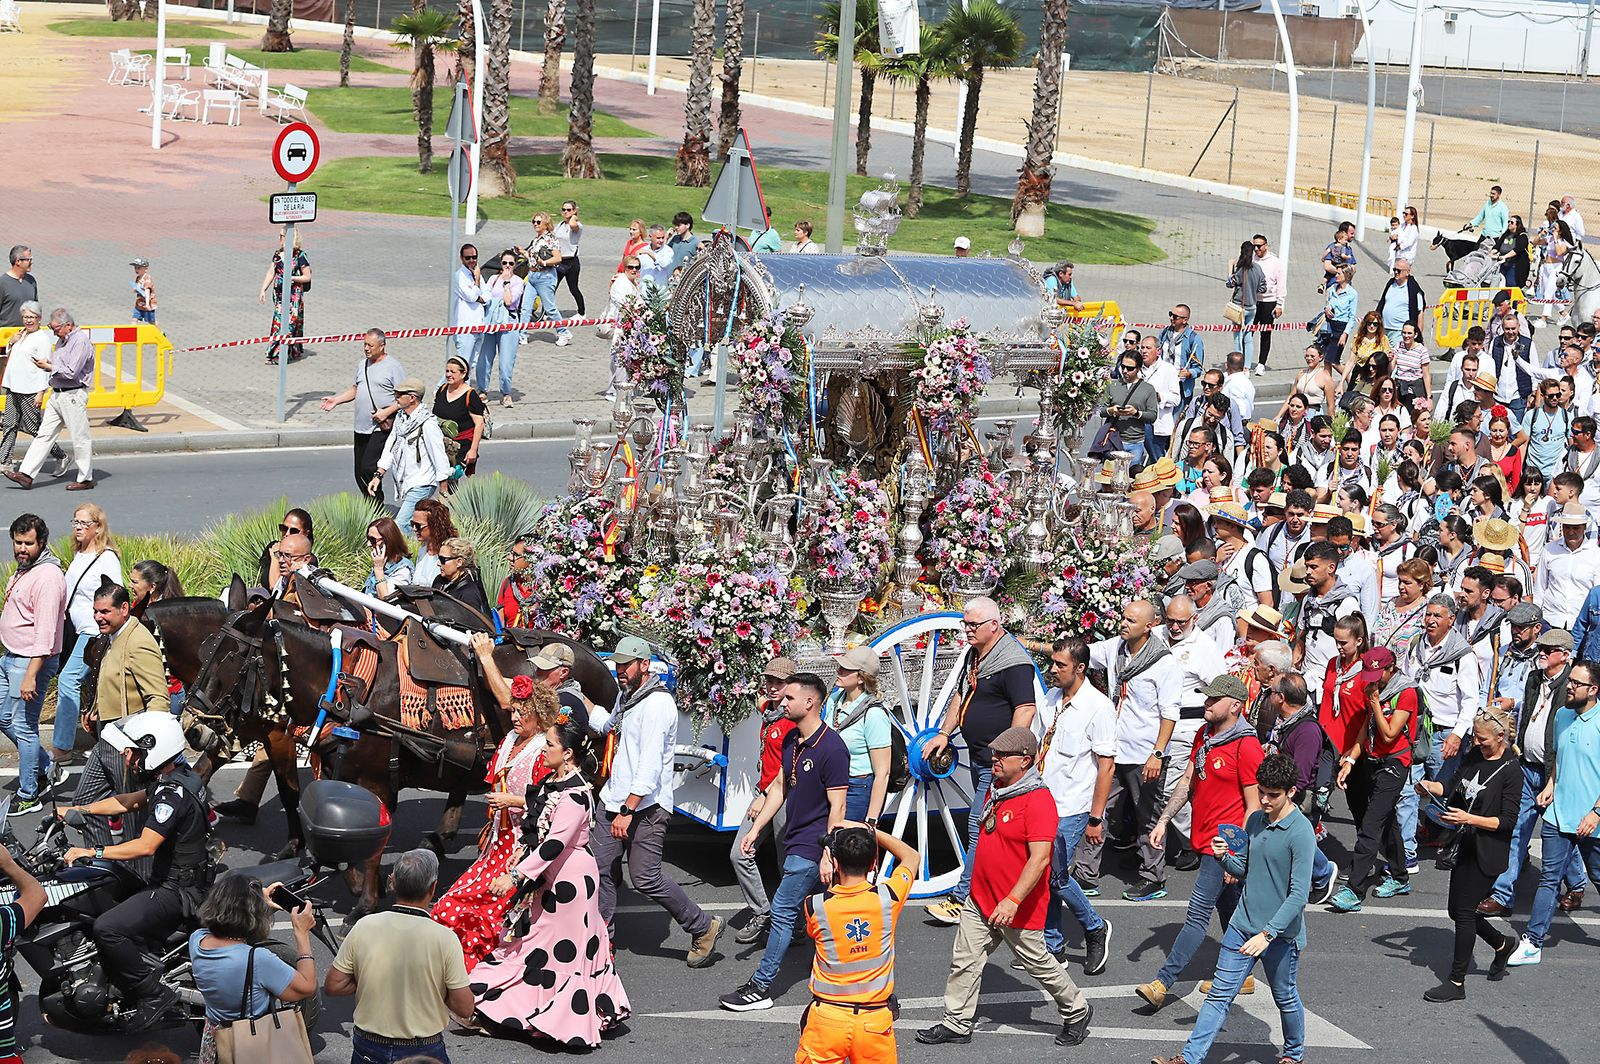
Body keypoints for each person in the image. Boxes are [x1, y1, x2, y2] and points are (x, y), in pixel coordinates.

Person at [915, 727, 1095, 1049]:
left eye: (1002, 755)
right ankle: (956, 1022)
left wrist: (1012, 899)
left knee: (1036, 961)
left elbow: (1040, 860)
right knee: (965, 959)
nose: (993, 759)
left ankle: (1077, 1009)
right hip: (982, 898)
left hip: (1016, 904)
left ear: (1025, 761)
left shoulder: (1038, 801)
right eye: (994, 753)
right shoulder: (996, 789)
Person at [470, 715, 630, 1045]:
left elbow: (555, 844)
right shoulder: (553, 784)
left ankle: (559, 1021)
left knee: (556, 950)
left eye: (551, 745)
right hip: (552, 877)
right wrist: (519, 853)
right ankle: (528, 1013)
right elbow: (538, 825)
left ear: (568, 753)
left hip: (569, 884)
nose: (544, 749)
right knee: (536, 944)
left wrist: (514, 876)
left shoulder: (576, 795)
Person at [1151, 753, 1314, 1064]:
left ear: (1291, 792)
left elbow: (1298, 895)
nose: (1264, 800)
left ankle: (1293, 1055)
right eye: (1262, 792)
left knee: (1285, 997)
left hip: (1279, 936)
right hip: (1242, 926)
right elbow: (1246, 868)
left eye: (1273, 795)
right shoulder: (1254, 821)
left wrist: (1267, 934)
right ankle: (1189, 1058)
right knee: (1218, 996)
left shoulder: (1301, 833)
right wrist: (1225, 857)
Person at [61, 712, 213, 1030]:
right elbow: (129, 801)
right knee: (110, 886)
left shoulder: (172, 794)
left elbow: (145, 846)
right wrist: (80, 810)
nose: (126, 756)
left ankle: (152, 994)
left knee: (107, 928)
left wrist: (93, 851)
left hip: (177, 890)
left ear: (152, 749)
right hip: (179, 879)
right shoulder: (178, 776)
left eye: (131, 750)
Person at [591, 636, 723, 966]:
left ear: (644, 665)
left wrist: (627, 810)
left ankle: (703, 926)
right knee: (599, 869)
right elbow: (610, 727)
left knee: (645, 877)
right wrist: (579, 702)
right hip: (614, 799)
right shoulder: (628, 695)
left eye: (626, 665)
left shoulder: (657, 704)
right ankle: (602, 937)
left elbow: (649, 765)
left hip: (644, 807)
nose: (620, 670)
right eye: (618, 665)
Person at [719, 672, 847, 1012]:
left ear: (810, 702)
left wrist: (827, 853)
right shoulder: (793, 742)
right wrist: (754, 829)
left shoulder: (832, 748)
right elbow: (779, 788)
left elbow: (839, 806)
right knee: (825, 915)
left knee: (783, 912)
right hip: (795, 840)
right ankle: (854, 977)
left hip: (811, 846)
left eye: (789, 698)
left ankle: (761, 987)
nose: (782, 702)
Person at [1136, 675, 1264, 1011]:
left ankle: (1163, 983)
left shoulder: (1246, 746)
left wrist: (1238, 855)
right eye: (1206, 698)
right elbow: (1188, 780)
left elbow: (1254, 806)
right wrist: (1164, 819)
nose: (1206, 703)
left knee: (1197, 915)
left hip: (1222, 848)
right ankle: (1244, 973)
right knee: (1231, 910)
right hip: (1203, 837)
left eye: (1213, 700)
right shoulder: (1204, 735)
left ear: (1235, 706)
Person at [921, 597, 1038, 925]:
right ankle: (998, 888)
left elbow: (1025, 708)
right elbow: (962, 693)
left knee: (977, 823)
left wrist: (1011, 754)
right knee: (992, 829)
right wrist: (945, 732)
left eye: (973, 625)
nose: (967, 630)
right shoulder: (974, 655)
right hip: (979, 756)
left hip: (997, 762)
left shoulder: (1013, 662)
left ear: (994, 626)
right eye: (966, 624)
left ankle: (961, 898)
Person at [431, 680, 558, 969]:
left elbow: (550, 804)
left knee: (489, 908)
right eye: (513, 711)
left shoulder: (542, 751)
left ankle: (486, 966)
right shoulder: (509, 742)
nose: (514, 718)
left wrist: (512, 801)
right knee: (453, 899)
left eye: (522, 712)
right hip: (497, 842)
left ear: (539, 715)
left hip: (522, 846)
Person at [326, 848, 474, 1064]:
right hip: (423, 1049)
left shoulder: (364, 926)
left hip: (368, 1045)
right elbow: (464, 1008)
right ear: (433, 888)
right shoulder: (445, 938)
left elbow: (334, 985)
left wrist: (372, 979)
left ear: (392, 882)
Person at [1414, 705, 1522, 1000]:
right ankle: (1501, 944)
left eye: (1483, 739)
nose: (1477, 743)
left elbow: (1507, 821)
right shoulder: (1475, 755)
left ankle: (1457, 982)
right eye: (1475, 737)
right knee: (1455, 910)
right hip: (1463, 844)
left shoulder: (1512, 771)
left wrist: (1468, 819)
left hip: (1488, 851)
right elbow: (1451, 786)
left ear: (1500, 737)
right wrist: (1429, 787)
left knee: (1463, 912)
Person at [795, 822, 918, 1064]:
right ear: (873, 863)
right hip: (874, 1022)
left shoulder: (815, 906)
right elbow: (911, 856)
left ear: (836, 864)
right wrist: (870, 830)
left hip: (828, 1020)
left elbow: (821, 924)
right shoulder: (888, 898)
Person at [1081, 599, 1179, 900]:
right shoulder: (1115, 649)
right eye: (1122, 618)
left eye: (1131, 621)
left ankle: (1153, 876)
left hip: (1144, 752)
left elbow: (1169, 713)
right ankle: (1085, 874)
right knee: (1098, 809)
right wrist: (1033, 643)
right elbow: (1081, 654)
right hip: (1113, 748)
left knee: (1147, 815)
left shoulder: (1165, 662)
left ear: (1149, 626)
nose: (1123, 624)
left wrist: (1158, 753)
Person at [1037, 636, 1114, 974]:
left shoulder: (1098, 707)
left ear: (1080, 669)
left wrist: (1095, 817)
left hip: (1072, 805)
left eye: (1061, 666)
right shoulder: (1052, 698)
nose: (1053, 670)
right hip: (1043, 800)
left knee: (1054, 874)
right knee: (1044, 874)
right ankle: (1054, 946)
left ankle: (1094, 927)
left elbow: (1106, 765)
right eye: (1053, 663)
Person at [188, 874, 318, 1063]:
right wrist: (302, 933)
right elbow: (306, 987)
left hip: (215, 1041)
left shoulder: (197, 939)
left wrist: (260, 902)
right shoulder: (257, 960)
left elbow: (234, 933)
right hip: (250, 1044)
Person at [1329, 647, 1419, 912]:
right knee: (1385, 820)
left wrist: (1377, 703)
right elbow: (1364, 729)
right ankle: (1400, 876)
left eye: (1379, 674)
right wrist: (1351, 760)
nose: (1375, 680)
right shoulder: (1370, 688)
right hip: (1372, 760)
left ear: (1392, 669)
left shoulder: (1407, 693)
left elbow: (1390, 734)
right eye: (1371, 674)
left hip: (1395, 763)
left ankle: (1354, 890)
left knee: (1370, 824)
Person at [49, 503, 122, 775]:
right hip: (75, 631)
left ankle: (62, 748)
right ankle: (104, 741)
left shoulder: (106, 558)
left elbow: (116, 594)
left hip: (94, 633)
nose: (78, 528)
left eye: (83, 523)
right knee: (93, 689)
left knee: (69, 680)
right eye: (75, 522)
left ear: (97, 527)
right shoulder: (79, 553)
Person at [730, 657, 797, 945]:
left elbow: (788, 766)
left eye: (778, 683)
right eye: (768, 681)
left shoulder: (792, 722)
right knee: (739, 853)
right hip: (766, 792)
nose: (771, 687)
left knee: (787, 864)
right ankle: (763, 912)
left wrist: (766, 793)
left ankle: (792, 923)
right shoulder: (769, 711)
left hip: (784, 796)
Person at [0, 513, 63, 814]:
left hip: (30, 662)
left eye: (28, 543)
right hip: (12, 656)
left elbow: (46, 633)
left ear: (42, 543)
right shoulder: (28, 569)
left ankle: (29, 795)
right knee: (3, 718)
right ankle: (46, 765)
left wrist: (30, 676)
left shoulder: (48, 577)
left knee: (24, 727)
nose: (22, 548)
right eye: (18, 542)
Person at [5, 308, 96, 491]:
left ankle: (85, 478)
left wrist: (48, 366)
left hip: (72, 394)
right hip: (57, 393)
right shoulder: (63, 341)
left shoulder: (80, 342)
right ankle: (26, 474)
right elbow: (60, 365)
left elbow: (71, 372)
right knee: (44, 435)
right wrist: (48, 365)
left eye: (55, 328)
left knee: (80, 437)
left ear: (68, 325)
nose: (54, 332)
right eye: (52, 328)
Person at [320, 329, 404, 503]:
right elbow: (355, 389)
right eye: (364, 344)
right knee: (359, 472)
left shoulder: (393, 366)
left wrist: (386, 412)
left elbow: (405, 398)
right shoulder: (362, 365)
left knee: (368, 467)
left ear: (382, 346)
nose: (366, 348)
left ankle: (377, 504)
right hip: (361, 426)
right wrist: (336, 400)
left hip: (380, 426)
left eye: (370, 345)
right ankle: (370, 503)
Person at [371, 378, 450, 532]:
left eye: (400, 395)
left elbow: (439, 455)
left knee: (401, 524)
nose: (396, 398)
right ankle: (420, 550)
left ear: (412, 398)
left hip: (423, 482)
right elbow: (391, 446)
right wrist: (378, 474)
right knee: (415, 525)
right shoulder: (401, 419)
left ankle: (406, 554)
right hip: (408, 482)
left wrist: (443, 487)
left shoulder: (427, 424)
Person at [825, 645, 892, 823]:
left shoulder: (874, 715)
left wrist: (871, 819)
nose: (838, 670)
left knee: (846, 844)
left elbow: (882, 773)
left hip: (858, 788)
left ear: (861, 678)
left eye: (846, 669)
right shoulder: (834, 700)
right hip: (832, 783)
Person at [0, 301, 66, 473]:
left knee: (34, 428)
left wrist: (40, 392)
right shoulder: (21, 335)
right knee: (9, 425)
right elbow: (11, 357)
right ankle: (4, 462)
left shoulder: (42, 339)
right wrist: (11, 342)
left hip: (30, 390)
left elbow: (45, 368)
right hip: (13, 387)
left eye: (32, 317)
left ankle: (62, 456)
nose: (28, 320)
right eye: (26, 317)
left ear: (39, 318)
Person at [1098, 349, 1158, 467]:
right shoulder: (1112, 385)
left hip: (1135, 443)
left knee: (1131, 478)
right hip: (1114, 441)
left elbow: (1153, 416)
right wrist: (1112, 410)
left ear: (1139, 368)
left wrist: (1136, 413)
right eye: (1123, 367)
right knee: (1110, 480)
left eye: (1130, 368)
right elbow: (1100, 410)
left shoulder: (1148, 389)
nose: (1125, 371)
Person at [477, 254, 523, 407]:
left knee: (506, 362)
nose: (507, 266)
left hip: (509, 321)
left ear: (515, 264)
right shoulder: (493, 279)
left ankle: (506, 392)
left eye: (511, 263)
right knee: (484, 358)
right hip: (492, 321)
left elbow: (510, 302)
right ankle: (482, 390)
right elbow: (485, 297)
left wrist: (507, 283)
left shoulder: (517, 282)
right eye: (504, 263)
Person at [258, 228, 310, 364]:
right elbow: (271, 272)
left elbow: (307, 276)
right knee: (278, 323)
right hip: (280, 296)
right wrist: (263, 289)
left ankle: (278, 355)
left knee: (289, 324)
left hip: (294, 298)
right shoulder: (278, 254)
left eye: (281, 236)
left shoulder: (300, 255)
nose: (279, 238)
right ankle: (289, 351)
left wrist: (291, 277)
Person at [431, 356, 487, 477]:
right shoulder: (442, 389)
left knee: (452, 475)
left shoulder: (470, 395)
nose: (449, 375)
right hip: (440, 443)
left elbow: (479, 424)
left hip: (461, 445)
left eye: (453, 372)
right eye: (447, 371)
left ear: (463, 374)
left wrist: (473, 450)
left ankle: (450, 494)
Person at [1224, 240, 1266, 364]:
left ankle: (1238, 366)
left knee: (1238, 338)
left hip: (1239, 308)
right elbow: (1263, 287)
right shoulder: (1258, 268)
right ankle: (1247, 366)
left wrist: (1230, 269)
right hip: (1252, 307)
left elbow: (1230, 283)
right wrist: (1252, 290)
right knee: (1248, 338)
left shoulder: (1241, 269)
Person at [1251, 233, 1286, 373]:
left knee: (1265, 334)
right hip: (1253, 301)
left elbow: (1281, 284)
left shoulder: (1275, 262)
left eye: (1259, 246)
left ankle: (1261, 363)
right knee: (1247, 333)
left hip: (1269, 302)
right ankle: (1244, 362)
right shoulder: (1252, 259)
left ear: (1266, 245)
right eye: (1254, 246)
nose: (1257, 249)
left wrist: (1280, 304)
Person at [432, 537, 491, 619]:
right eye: (439, 558)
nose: (438, 563)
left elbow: (472, 625)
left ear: (459, 562)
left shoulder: (469, 593)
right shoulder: (439, 581)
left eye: (443, 560)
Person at [1375, 258, 1427, 349]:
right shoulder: (1391, 284)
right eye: (1394, 269)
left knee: (1394, 357)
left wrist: (1418, 336)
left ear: (1407, 272)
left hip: (1400, 331)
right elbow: (1382, 303)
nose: (1395, 272)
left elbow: (1420, 312)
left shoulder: (1413, 289)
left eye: (1398, 270)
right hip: (1384, 329)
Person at [452, 242, 488, 366]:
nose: (472, 260)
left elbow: (487, 294)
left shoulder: (476, 272)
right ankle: (441, 386)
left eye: (474, 257)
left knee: (471, 364)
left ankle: (463, 385)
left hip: (479, 324)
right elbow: (472, 296)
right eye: (468, 258)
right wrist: (477, 280)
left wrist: (480, 297)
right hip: (465, 327)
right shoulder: (459, 276)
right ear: (461, 258)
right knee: (462, 366)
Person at [363, 517, 414, 601]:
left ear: (388, 541)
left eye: (373, 540)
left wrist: (378, 569)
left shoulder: (403, 569)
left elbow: (387, 599)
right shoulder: (383, 561)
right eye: (368, 538)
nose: (369, 544)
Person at [409, 499, 454, 587]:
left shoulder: (449, 553)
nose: (414, 529)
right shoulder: (423, 549)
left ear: (435, 525)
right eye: (412, 524)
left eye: (418, 526)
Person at [553, 199, 586, 315]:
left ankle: (582, 313)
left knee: (573, 288)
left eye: (569, 210)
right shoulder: (560, 225)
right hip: (559, 260)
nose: (566, 212)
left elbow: (572, 225)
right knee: (551, 287)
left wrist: (574, 217)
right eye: (564, 210)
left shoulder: (578, 226)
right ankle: (549, 312)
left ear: (574, 211)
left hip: (571, 262)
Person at [493, 536, 533, 627]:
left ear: (531, 559)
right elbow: (500, 625)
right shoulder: (508, 583)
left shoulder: (544, 590)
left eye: (516, 555)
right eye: (511, 553)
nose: (509, 558)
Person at [0, 245, 37, 327]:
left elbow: (35, 308)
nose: (31, 262)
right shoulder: (2, 283)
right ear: (18, 262)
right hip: (6, 335)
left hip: (27, 333)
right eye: (28, 259)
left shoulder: (31, 281)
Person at [129, 257, 157, 324]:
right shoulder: (138, 278)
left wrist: (147, 304)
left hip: (148, 304)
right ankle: (133, 333)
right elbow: (138, 287)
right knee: (134, 319)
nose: (136, 269)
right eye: (135, 267)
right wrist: (136, 290)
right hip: (139, 304)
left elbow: (147, 292)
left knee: (152, 322)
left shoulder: (147, 279)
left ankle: (160, 333)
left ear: (146, 269)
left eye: (139, 268)